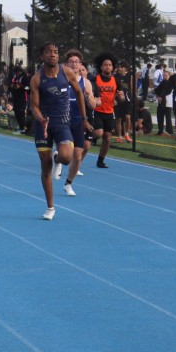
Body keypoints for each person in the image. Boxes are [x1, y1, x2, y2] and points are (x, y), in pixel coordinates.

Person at [30, 43, 87, 220]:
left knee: (67, 158)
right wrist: (41, 119)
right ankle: (50, 207)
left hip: (62, 124)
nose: (52, 55)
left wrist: (84, 118)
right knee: (45, 165)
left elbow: (79, 93)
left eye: (55, 52)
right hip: (43, 126)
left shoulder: (67, 73)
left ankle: (57, 159)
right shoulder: (37, 79)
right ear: (42, 56)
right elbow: (34, 106)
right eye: (48, 52)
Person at [53, 49, 97, 197]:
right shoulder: (60, 79)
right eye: (71, 61)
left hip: (78, 121)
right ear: (66, 64)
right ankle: (57, 159)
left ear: (80, 65)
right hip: (63, 120)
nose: (74, 64)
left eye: (77, 62)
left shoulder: (85, 82)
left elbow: (93, 105)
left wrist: (88, 97)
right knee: (66, 155)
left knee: (77, 157)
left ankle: (68, 184)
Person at [91, 53, 118, 167]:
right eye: (105, 65)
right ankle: (90, 137)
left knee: (107, 138)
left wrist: (119, 98)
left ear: (112, 67)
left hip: (109, 112)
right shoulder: (95, 79)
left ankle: (100, 161)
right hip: (97, 111)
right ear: (101, 67)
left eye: (110, 65)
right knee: (98, 133)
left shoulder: (115, 80)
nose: (108, 67)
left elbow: (120, 95)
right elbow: (89, 92)